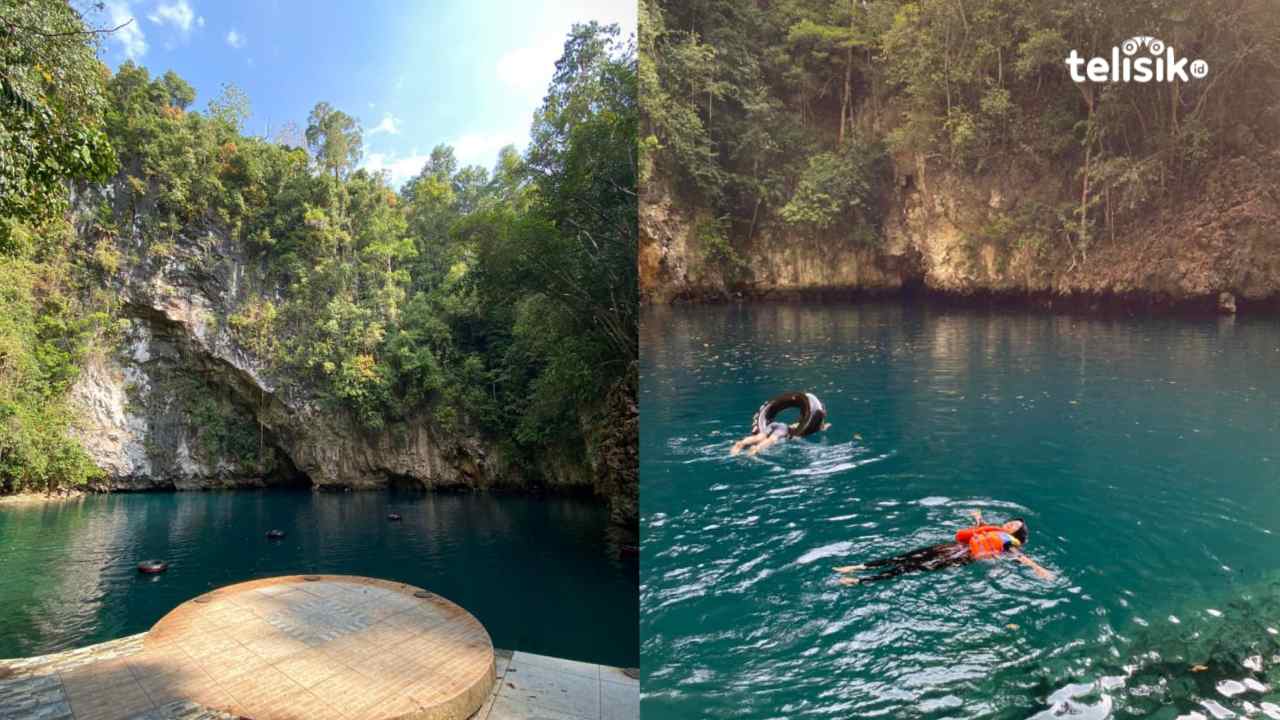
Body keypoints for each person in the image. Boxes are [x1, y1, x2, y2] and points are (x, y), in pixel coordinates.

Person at [832, 511, 1054, 585]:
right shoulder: (996, 532)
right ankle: (859, 566)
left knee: (913, 568)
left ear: (1017, 534)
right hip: (950, 547)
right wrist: (978, 518)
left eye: (1014, 526)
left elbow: (1021, 557)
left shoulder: (1008, 545)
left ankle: (860, 581)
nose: (1009, 524)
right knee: (907, 556)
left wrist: (1038, 569)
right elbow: (982, 532)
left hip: (961, 556)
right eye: (1011, 522)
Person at [731, 392, 831, 456]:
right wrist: (824, 427)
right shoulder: (805, 426)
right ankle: (756, 449)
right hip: (783, 429)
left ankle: (741, 443)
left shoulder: (800, 422)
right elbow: (815, 426)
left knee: (760, 436)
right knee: (772, 439)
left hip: (775, 425)